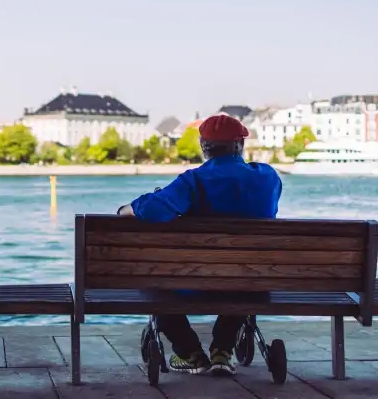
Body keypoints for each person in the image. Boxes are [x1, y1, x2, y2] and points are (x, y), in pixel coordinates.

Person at [117, 114, 282, 376]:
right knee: (243, 275)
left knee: (155, 283)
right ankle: (222, 351)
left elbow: (153, 209)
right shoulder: (267, 177)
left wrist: (127, 208)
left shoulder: (192, 181)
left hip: (195, 282)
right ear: (240, 144)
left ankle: (189, 353)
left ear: (204, 147)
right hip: (250, 281)